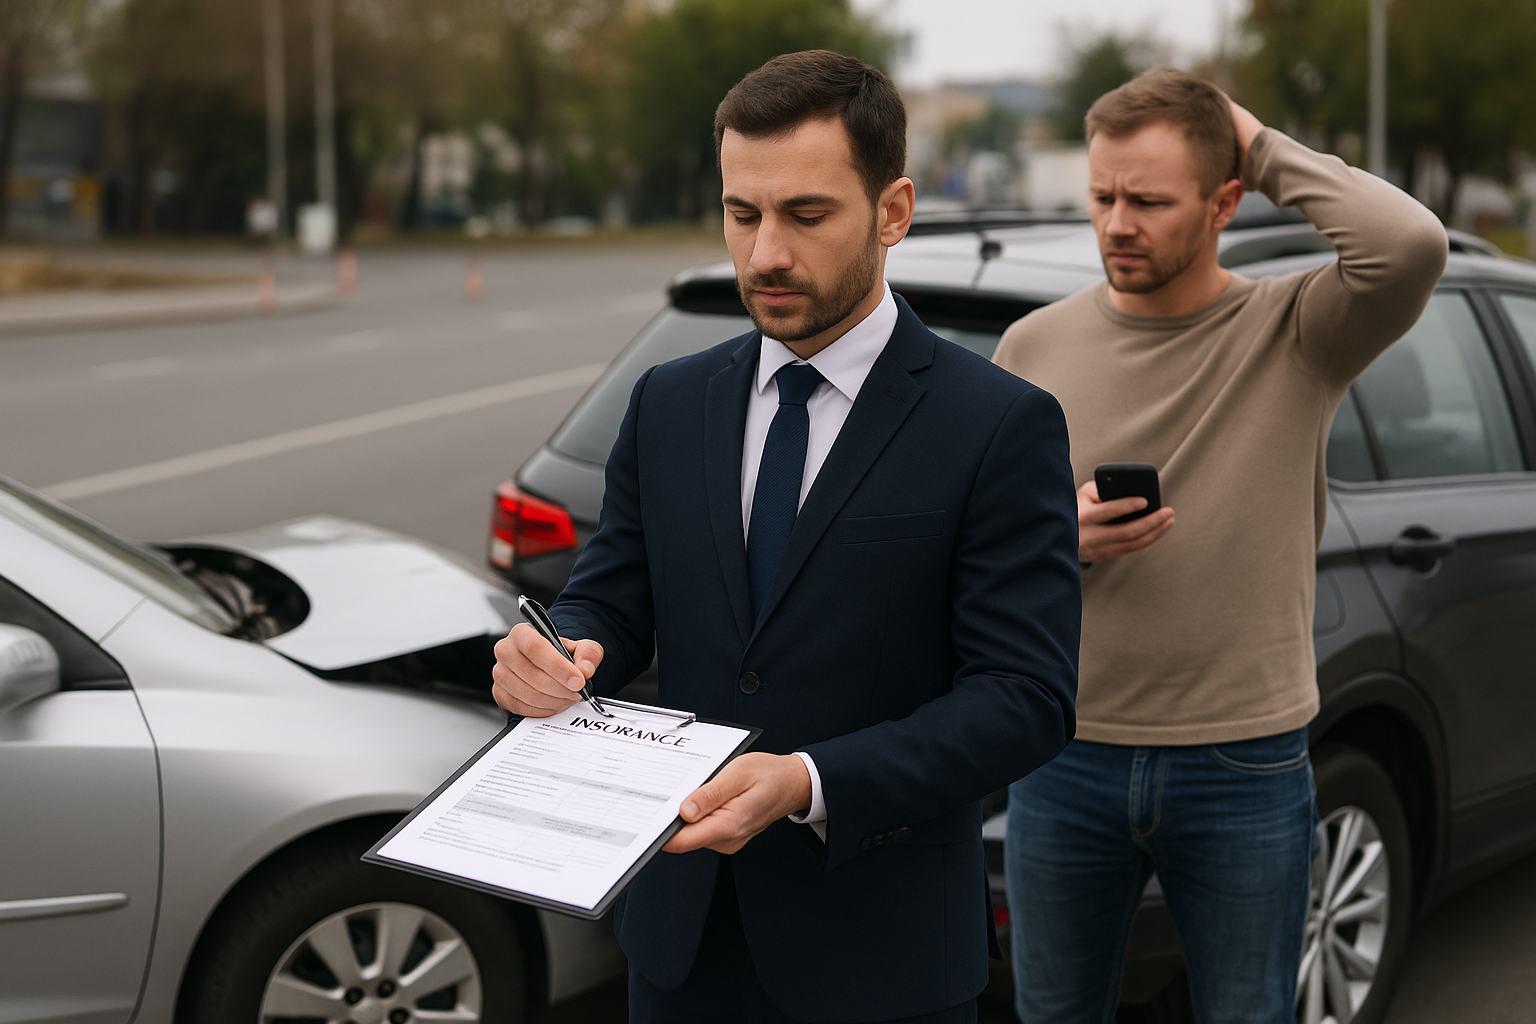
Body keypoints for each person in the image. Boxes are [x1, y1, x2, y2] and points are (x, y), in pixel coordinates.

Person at [491, 50, 1081, 1024]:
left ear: (894, 211)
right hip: (679, 948)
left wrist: (810, 781)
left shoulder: (999, 425)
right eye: (741, 213)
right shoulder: (670, 400)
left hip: (883, 962)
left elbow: (1025, 698)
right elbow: (613, 596)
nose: (765, 253)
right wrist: (557, 652)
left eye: (806, 216)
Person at [992, 68, 1447, 1024]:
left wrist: (1256, 136)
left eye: (1149, 200)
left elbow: (1408, 244)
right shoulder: (1031, 346)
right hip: (1062, 756)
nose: (1117, 223)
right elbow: (978, 550)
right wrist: (1056, 539)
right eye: (1103, 196)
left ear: (1225, 202)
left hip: (1243, 764)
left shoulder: (1298, 331)